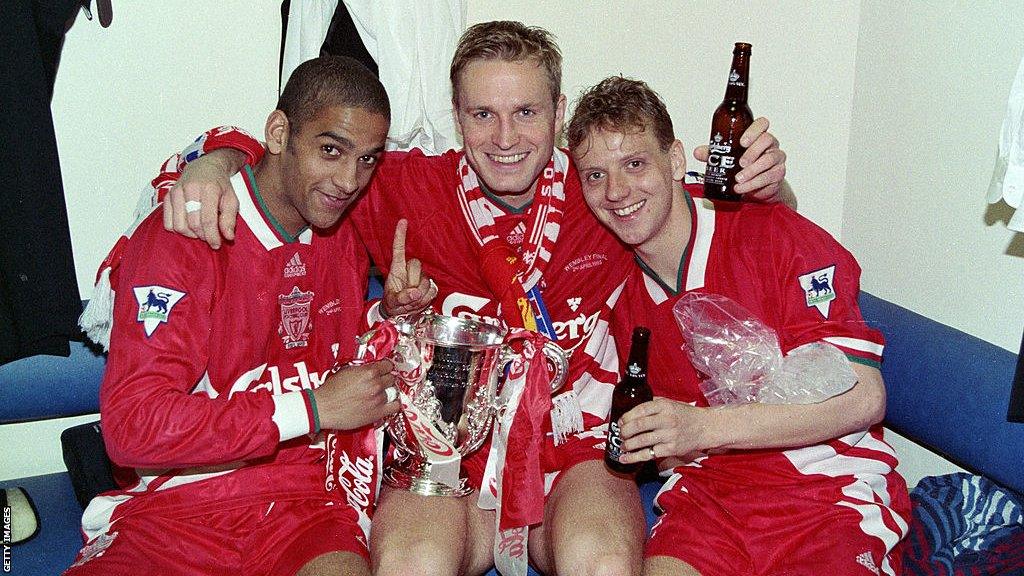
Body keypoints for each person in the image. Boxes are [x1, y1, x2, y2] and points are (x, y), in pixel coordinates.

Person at [154, 22, 788, 576]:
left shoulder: (606, 188)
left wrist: (774, 191)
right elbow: (294, 160)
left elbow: (728, 215)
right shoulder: (401, 185)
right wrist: (215, 160)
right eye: (483, 114)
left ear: (558, 113)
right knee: (411, 565)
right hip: (444, 450)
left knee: (601, 563)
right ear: (456, 117)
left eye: (527, 113)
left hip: (572, 448)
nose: (505, 136)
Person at [65, 56, 435, 576]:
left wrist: (391, 317)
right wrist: (310, 410)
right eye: (331, 150)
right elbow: (131, 428)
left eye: (368, 159)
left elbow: (332, 364)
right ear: (279, 133)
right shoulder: (187, 233)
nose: (349, 179)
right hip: (176, 513)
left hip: (305, 505)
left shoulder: (342, 239)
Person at [566, 75, 910, 576]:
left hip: (823, 490)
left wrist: (700, 427)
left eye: (635, 164)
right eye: (595, 175)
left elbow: (863, 398)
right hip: (710, 499)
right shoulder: (612, 284)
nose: (616, 191)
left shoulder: (774, 234)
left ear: (677, 160)